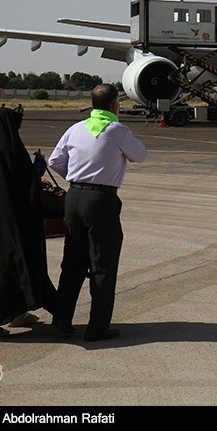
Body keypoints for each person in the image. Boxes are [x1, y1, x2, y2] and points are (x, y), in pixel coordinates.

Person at [48, 84, 148, 342]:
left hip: (74, 197)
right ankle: (97, 327)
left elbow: (55, 161)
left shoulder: (75, 129)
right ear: (115, 105)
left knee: (72, 262)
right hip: (101, 200)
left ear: (92, 104)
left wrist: (75, 179)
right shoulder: (118, 130)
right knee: (102, 265)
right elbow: (140, 155)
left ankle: (61, 320)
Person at [0, 105, 56, 339]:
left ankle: (18, 312)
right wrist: (37, 168)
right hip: (4, 219)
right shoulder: (6, 149)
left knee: (15, 263)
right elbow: (21, 181)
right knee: (5, 267)